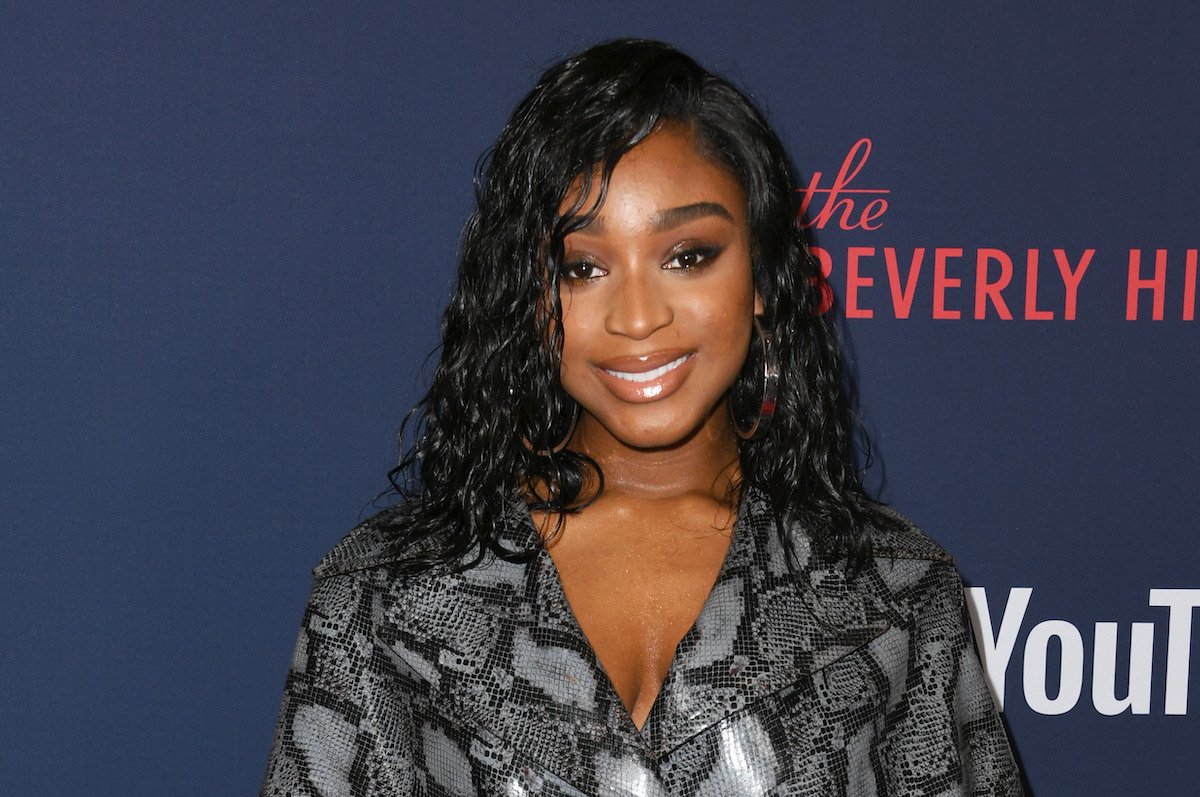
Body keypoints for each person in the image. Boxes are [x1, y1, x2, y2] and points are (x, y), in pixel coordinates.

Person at [261, 38, 1023, 796]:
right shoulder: (387, 597)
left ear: (763, 274)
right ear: (530, 299)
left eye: (687, 255)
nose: (636, 316)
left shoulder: (893, 594)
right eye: (582, 267)